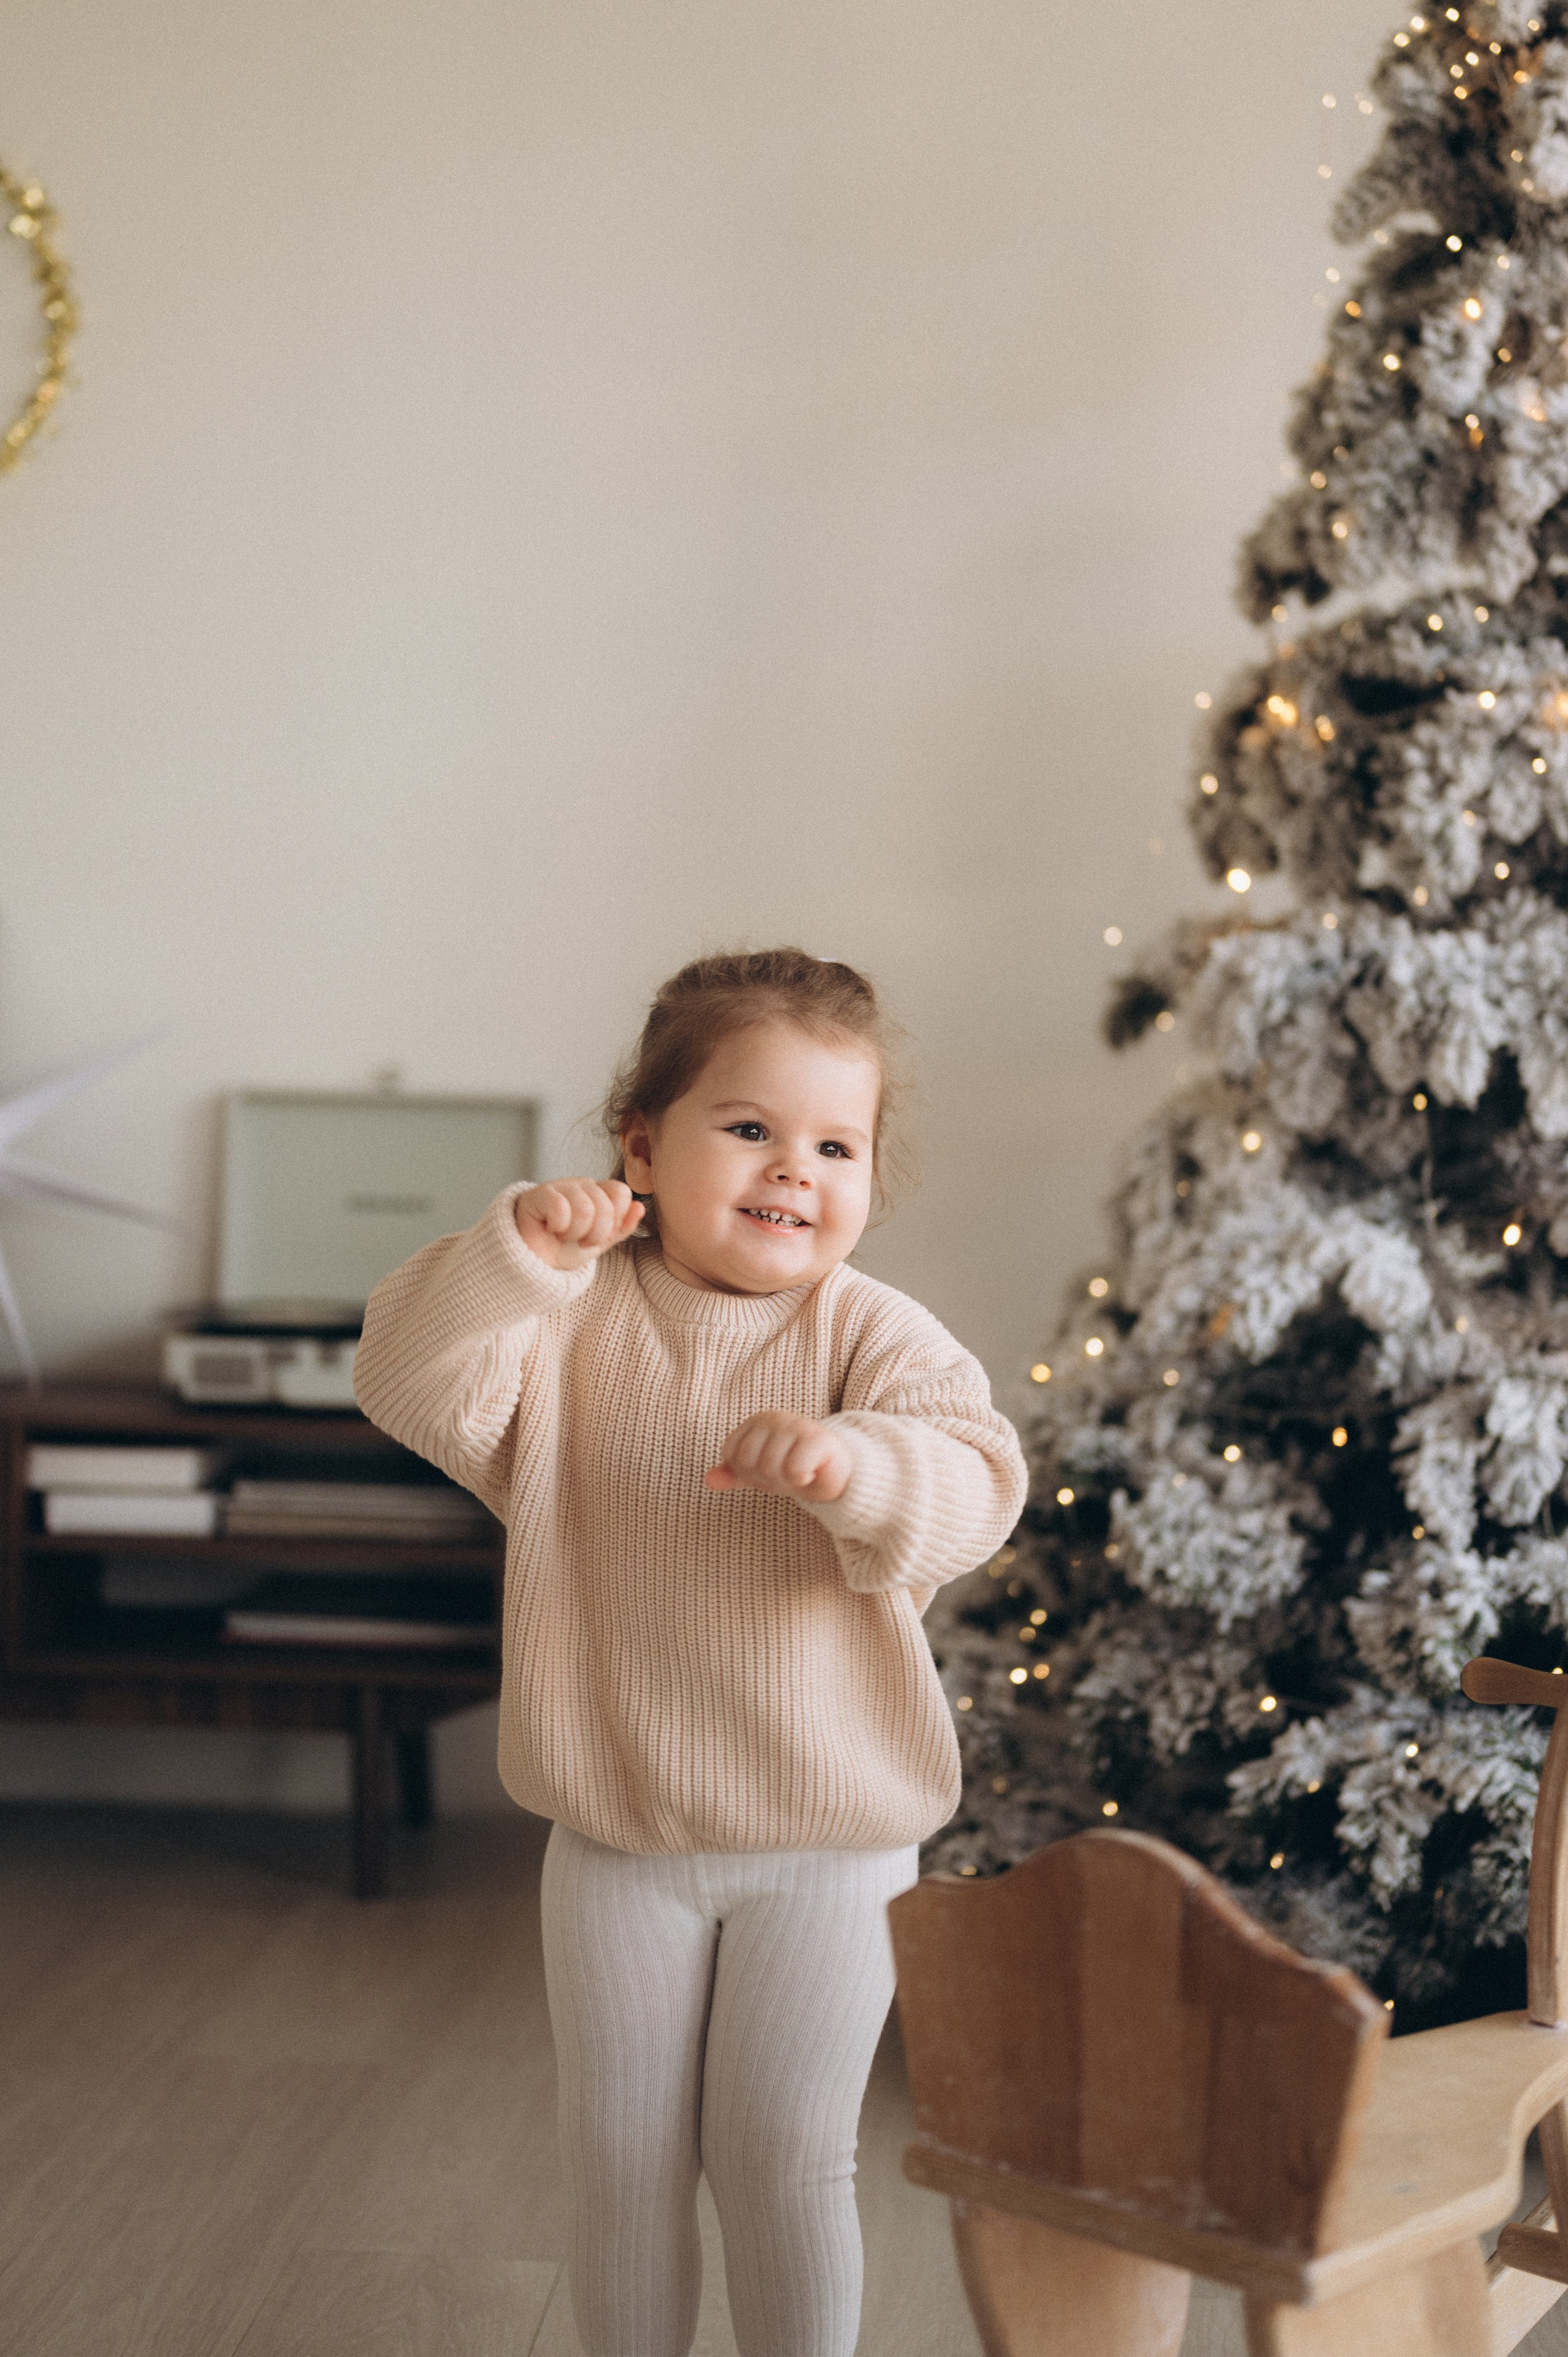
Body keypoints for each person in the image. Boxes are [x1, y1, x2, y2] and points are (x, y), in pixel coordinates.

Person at [353, 947, 1027, 2357]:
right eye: (750, 1128)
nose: (795, 1169)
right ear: (641, 1143)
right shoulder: (569, 1315)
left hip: (828, 1844)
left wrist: (858, 1463)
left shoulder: (865, 1330)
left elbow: (975, 1479)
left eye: (835, 1144)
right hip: (618, 1834)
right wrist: (519, 1256)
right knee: (618, 2162)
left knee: (786, 2161)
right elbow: (409, 1380)